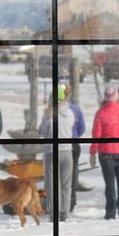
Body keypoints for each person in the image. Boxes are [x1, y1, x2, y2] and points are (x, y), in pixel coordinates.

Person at [89, 85, 119, 220]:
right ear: (116, 97)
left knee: (109, 184)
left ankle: (110, 212)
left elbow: (96, 135)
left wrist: (92, 153)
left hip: (106, 153)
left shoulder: (101, 113)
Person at [39, 87, 74, 222]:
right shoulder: (69, 113)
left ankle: (54, 214)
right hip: (67, 152)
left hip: (51, 152)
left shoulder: (49, 115)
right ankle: (64, 213)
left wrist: (46, 116)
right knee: (66, 184)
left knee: (52, 185)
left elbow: (42, 131)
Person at [62, 82, 89, 213]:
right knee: (72, 173)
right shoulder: (76, 109)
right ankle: (71, 200)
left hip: (60, 144)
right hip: (74, 143)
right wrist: (76, 135)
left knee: (58, 174)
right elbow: (82, 128)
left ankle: (60, 200)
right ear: (70, 94)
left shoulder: (53, 109)